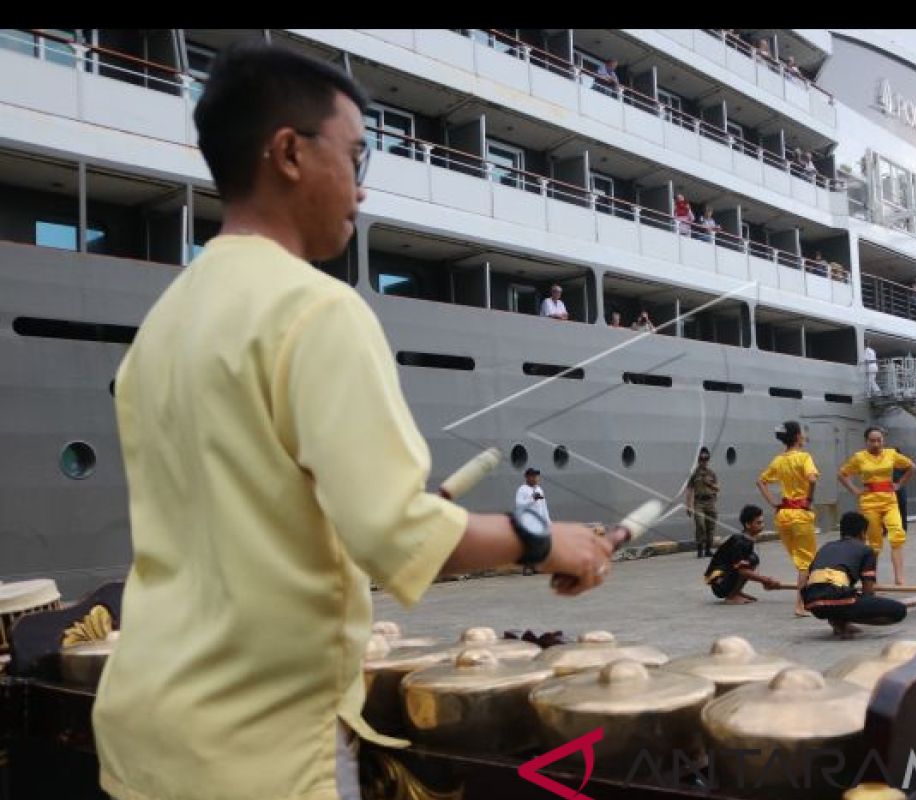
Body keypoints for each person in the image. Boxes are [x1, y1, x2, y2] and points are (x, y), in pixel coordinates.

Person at [91, 43, 613, 800]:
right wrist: (544, 539)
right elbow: (398, 535)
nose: (361, 192)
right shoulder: (316, 309)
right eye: (357, 157)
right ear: (290, 154)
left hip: (146, 732)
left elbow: (247, 519)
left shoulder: (167, 321)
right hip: (258, 748)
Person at [801, 512, 907, 639]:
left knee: (842, 596)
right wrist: (867, 604)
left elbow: (808, 578)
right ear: (863, 533)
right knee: (899, 611)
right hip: (837, 598)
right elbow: (868, 591)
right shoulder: (865, 550)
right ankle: (840, 620)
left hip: (811, 602)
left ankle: (838, 619)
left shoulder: (826, 546)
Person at [837, 427, 916, 584]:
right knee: (874, 542)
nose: (876, 444)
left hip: (889, 500)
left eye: (879, 440)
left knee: (897, 534)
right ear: (866, 441)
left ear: (883, 441)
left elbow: (912, 467)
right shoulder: (859, 457)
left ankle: (899, 578)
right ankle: (872, 579)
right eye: (872, 440)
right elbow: (842, 474)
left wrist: (899, 484)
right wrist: (855, 490)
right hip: (869, 503)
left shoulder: (891, 454)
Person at [757, 420, 820, 617]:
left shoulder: (779, 460)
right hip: (800, 513)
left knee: (800, 560)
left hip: (783, 515)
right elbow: (812, 479)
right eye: (802, 433)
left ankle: (807, 595)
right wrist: (808, 499)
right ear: (797, 436)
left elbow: (760, 481)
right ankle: (801, 604)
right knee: (806, 562)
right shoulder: (804, 457)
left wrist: (774, 503)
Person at [703, 505, 781, 604]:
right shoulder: (739, 542)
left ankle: (736, 592)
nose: (762, 525)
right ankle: (731, 596)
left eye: (762, 522)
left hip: (726, 578)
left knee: (752, 559)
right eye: (758, 523)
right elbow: (742, 571)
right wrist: (766, 580)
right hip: (720, 584)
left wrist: (765, 580)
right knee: (750, 561)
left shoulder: (747, 539)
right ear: (748, 524)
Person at [686, 447, 720, 558]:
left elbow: (717, 488)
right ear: (698, 460)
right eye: (702, 459)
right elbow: (689, 490)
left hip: (710, 502)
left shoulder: (712, 474)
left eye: (706, 459)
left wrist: (710, 484)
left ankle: (708, 549)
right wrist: (688, 505)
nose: (704, 461)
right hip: (698, 503)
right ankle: (700, 549)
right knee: (700, 525)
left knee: (711, 527)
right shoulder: (694, 475)